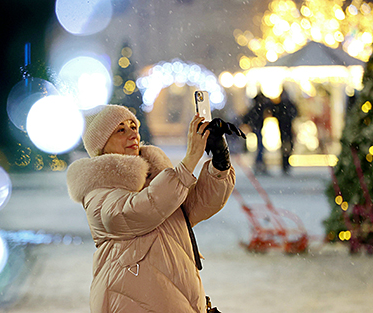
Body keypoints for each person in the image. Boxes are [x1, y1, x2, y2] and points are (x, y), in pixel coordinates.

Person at [66, 104, 242, 312]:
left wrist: (220, 163)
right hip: (129, 299)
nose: (132, 134)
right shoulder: (98, 189)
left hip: (176, 296)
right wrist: (189, 161)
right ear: (101, 145)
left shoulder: (156, 177)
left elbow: (193, 207)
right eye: (120, 130)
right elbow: (136, 211)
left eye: (134, 127)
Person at [241, 92, 272, 175]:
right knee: (260, 146)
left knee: (260, 146)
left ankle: (259, 163)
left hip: (256, 127)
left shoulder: (255, 107)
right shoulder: (259, 107)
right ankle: (259, 163)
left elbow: (246, 116)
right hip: (257, 127)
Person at [271, 89, 297, 175]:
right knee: (287, 147)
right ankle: (286, 164)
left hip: (283, 129)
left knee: (285, 147)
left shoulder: (280, 104)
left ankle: (285, 164)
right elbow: (295, 113)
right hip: (286, 129)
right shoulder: (287, 104)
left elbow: (274, 113)